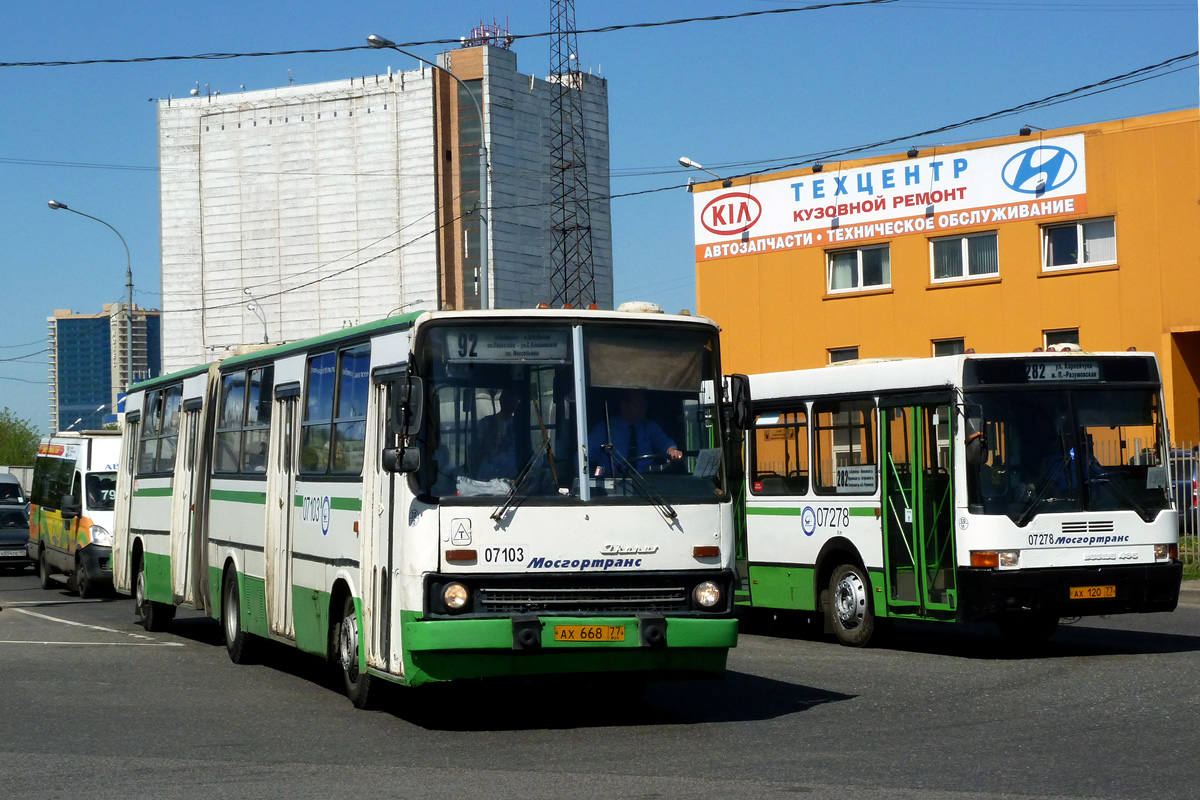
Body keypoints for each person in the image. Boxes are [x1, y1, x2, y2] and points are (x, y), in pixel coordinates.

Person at [588, 389, 682, 476]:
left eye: (644, 404)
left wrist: (672, 451)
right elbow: (585, 456)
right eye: (637, 404)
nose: (643, 408)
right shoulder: (605, 428)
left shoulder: (649, 426)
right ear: (624, 405)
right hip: (614, 485)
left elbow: (665, 443)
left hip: (646, 484)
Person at [473, 390, 522, 480]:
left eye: (514, 401)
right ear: (501, 401)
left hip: (515, 477)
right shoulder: (486, 422)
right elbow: (477, 450)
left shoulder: (520, 425)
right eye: (508, 400)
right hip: (490, 475)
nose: (511, 404)